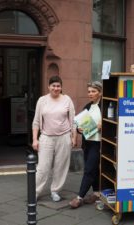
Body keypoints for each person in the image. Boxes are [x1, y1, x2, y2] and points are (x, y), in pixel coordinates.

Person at [32, 75, 76, 202]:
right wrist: (35, 139)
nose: (56, 88)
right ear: (49, 87)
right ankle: (35, 192)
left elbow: (73, 121)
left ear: (61, 87)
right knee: (42, 167)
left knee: (60, 166)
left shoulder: (67, 99)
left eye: (58, 86)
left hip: (64, 137)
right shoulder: (42, 100)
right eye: (53, 86)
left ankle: (55, 191)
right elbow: (36, 122)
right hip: (46, 137)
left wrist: (74, 137)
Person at [69, 81, 103, 209]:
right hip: (87, 143)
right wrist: (79, 130)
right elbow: (80, 125)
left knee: (88, 169)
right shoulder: (87, 106)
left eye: (93, 91)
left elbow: (112, 123)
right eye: (89, 91)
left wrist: (102, 125)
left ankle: (79, 197)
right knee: (93, 169)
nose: (90, 94)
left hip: (98, 143)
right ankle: (96, 193)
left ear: (100, 92)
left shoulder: (105, 106)